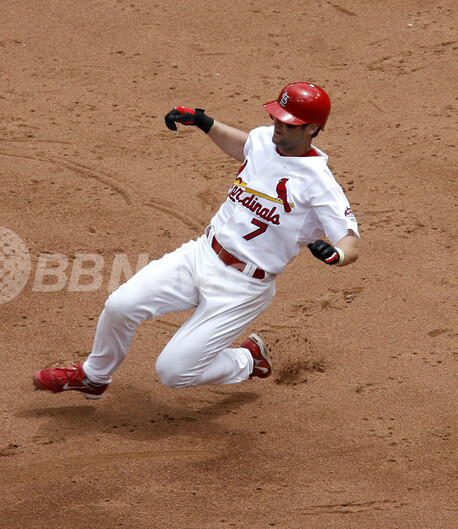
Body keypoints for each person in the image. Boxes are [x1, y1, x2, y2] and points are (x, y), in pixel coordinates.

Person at [33, 82, 360, 399]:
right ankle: (93, 377)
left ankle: (248, 360)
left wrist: (336, 255)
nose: (278, 125)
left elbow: (349, 241)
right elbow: (245, 147)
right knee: (121, 306)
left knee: (173, 372)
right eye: (276, 117)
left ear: (312, 129)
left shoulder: (320, 184)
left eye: (288, 123)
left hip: (243, 287)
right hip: (202, 254)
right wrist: (205, 123)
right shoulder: (264, 139)